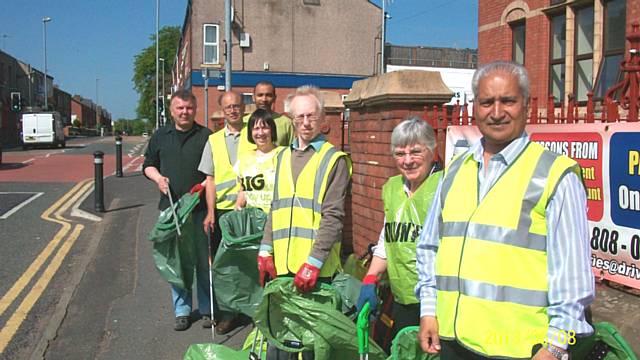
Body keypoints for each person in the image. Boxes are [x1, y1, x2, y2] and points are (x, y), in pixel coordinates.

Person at [416, 61, 595, 359]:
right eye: (487, 102)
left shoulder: (554, 174)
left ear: (526, 105)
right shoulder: (456, 170)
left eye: (508, 101)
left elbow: (572, 277)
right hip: (452, 341)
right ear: (475, 107)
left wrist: (556, 346)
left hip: (521, 350)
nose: (496, 112)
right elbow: (429, 247)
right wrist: (429, 310)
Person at [257, 85, 351, 360]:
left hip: (316, 275)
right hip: (284, 272)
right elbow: (276, 207)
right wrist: (265, 249)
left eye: (311, 116)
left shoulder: (334, 160)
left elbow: (333, 217)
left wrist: (315, 261)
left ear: (323, 119)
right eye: (300, 117)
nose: (306, 123)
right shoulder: (283, 156)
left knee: (313, 349)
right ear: (291, 119)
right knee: (283, 344)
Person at [355, 117, 441, 351]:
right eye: (400, 153)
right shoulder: (393, 188)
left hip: (437, 301)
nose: (408, 160)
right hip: (402, 298)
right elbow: (388, 239)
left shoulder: (444, 186)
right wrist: (371, 278)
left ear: (432, 151)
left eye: (415, 151)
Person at [143, 89, 212, 331]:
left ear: (195, 109)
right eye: (180, 108)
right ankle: (182, 310)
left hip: (200, 209)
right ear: (172, 111)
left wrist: (202, 187)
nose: (185, 112)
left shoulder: (206, 136)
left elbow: (214, 172)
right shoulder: (161, 136)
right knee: (178, 262)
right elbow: (148, 165)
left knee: (204, 262)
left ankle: (207, 309)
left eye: (189, 108)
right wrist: (159, 179)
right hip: (171, 211)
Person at [198, 90, 253, 335]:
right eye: (228, 106)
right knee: (225, 265)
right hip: (222, 212)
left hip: (249, 211)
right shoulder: (214, 140)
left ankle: (252, 309)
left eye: (237, 105)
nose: (233, 110)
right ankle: (229, 313)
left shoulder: (255, 135)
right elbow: (210, 179)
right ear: (223, 110)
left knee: (249, 262)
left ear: (244, 108)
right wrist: (210, 212)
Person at [234, 108, 284, 213]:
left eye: (265, 128)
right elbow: (243, 191)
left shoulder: (285, 155)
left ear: (272, 130)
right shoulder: (243, 159)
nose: (260, 133)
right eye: (256, 128)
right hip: (253, 222)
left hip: (277, 219)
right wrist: (238, 207)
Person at [243, 81, 294, 146]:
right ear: (253, 97)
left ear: (274, 98)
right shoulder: (243, 122)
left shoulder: (286, 123)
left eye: (268, 95)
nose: (264, 99)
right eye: (260, 95)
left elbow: (291, 151)